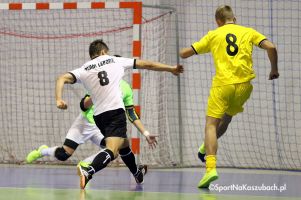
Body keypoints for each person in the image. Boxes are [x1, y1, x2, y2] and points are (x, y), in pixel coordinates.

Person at [56, 39, 183, 189]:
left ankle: (137, 172)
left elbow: (62, 78)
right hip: (115, 112)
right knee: (112, 150)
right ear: (103, 52)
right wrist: (171, 68)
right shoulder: (115, 61)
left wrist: (59, 99)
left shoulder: (84, 69)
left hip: (99, 117)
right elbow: (147, 64)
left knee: (124, 145)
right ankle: (88, 170)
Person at [180, 5, 279, 188]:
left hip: (223, 86)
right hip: (244, 87)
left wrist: (182, 51)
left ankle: (210, 169)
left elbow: (185, 53)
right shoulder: (248, 32)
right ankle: (205, 147)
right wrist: (274, 69)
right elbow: (271, 47)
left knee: (210, 125)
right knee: (227, 118)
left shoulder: (214, 34)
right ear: (235, 18)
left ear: (218, 21)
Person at [25, 79, 157, 165]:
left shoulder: (125, 88)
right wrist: (95, 95)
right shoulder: (98, 83)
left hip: (100, 127)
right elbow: (83, 106)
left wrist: (145, 133)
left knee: (113, 151)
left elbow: (131, 112)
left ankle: (86, 164)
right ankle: (43, 151)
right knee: (64, 155)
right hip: (84, 123)